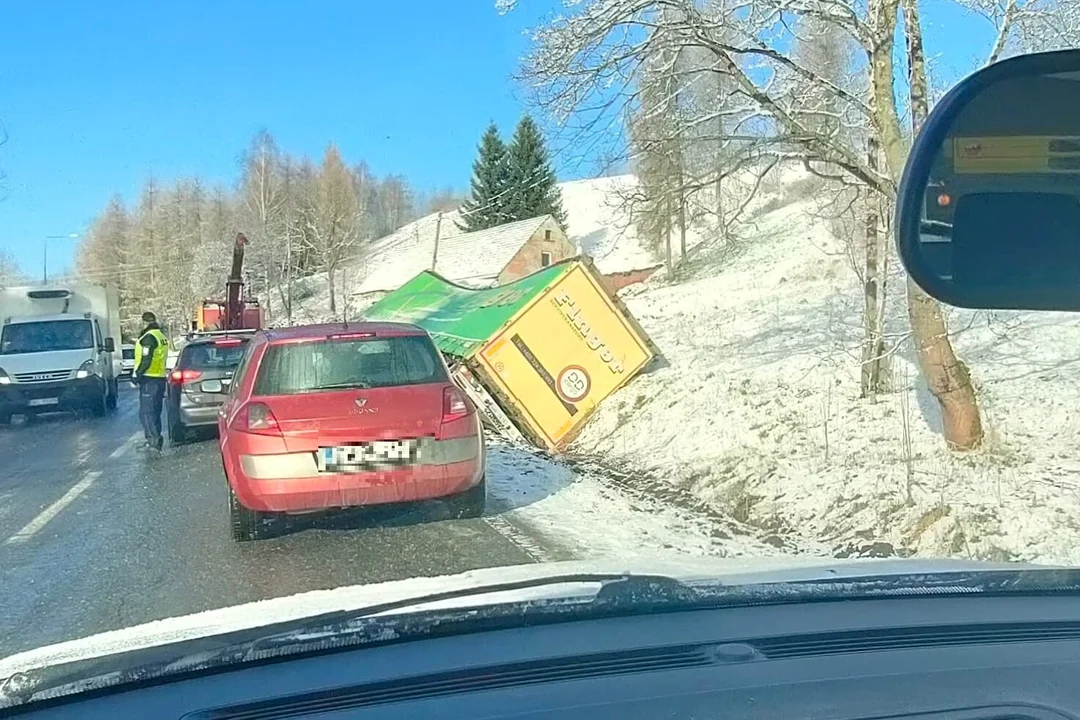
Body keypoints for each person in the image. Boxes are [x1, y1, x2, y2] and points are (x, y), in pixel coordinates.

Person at [132, 311, 169, 451]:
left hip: (149, 378)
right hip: (159, 378)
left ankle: (153, 441)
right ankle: (156, 439)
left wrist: (137, 375)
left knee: (147, 412)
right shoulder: (160, 336)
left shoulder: (148, 338)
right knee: (155, 410)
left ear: (144, 322)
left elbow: (146, 359)